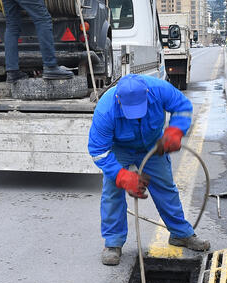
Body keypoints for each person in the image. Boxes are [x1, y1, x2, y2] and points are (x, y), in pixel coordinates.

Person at [88, 74, 211, 265]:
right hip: (121, 147)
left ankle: (180, 234)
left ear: (147, 94)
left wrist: (175, 131)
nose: (136, 115)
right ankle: (113, 242)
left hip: (153, 143)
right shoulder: (106, 110)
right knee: (112, 192)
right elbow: (98, 151)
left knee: (165, 188)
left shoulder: (160, 89)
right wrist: (122, 175)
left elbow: (183, 107)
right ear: (119, 100)